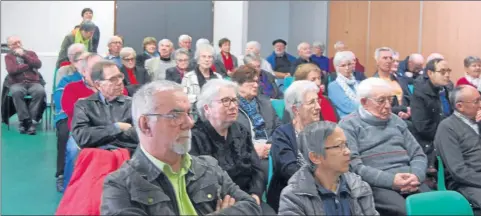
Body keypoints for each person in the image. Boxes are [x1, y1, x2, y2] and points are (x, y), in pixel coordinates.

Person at [101, 80, 261, 215]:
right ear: (146, 125)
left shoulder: (208, 166)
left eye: (189, 113)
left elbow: (252, 207)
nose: (189, 123)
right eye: (175, 115)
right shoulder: (120, 186)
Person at [339, 77, 429, 216]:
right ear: (364, 102)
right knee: (405, 211)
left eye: (390, 100)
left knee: (437, 207)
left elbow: (418, 154)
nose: (388, 106)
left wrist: (416, 175)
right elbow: (354, 166)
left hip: (410, 179)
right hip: (377, 185)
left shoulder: (396, 120)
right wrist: (391, 180)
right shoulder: (348, 125)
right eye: (381, 101)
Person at [190, 79, 275, 214]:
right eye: (225, 101)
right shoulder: (195, 138)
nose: (233, 106)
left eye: (235, 100)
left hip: (249, 199)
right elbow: (202, 185)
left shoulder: (241, 131)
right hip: (219, 205)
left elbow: (256, 169)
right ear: (207, 108)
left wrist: (255, 194)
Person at [278, 121, 379, 215]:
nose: (348, 152)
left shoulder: (359, 187)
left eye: (346, 145)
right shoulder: (294, 197)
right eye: (339, 146)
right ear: (315, 157)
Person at [267, 80, 321, 212]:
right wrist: (322, 180)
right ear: (296, 109)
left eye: (318, 101)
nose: (318, 106)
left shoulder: (324, 131)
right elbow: (289, 170)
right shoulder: (282, 134)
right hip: (291, 197)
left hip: (322, 193)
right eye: (311, 102)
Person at [71, 60, 138, 151]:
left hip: (127, 157)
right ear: (98, 85)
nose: (120, 82)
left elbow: (141, 135)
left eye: (120, 77)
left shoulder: (133, 104)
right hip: (97, 158)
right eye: (113, 79)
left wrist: (100, 136)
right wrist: (117, 127)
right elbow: (82, 138)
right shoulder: (84, 105)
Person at [434, 85, 481, 213]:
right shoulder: (447, 128)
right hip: (466, 183)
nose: (480, 105)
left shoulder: (477, 122)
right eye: (476, 101)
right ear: (460, 106)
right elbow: (458, 171)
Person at [231, 65, 282, 178]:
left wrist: (270, 145)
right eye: (251, 81)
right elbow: (232, 139)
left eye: (256, 81)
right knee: (263, 168)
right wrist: (253, 151)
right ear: (237, 84)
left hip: (270, 150)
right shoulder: (231, 107)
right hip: (246, 155)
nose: (256, 85)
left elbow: (279, 129)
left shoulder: (265, 103)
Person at [411, 58, 453, 171]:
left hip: (450, 135)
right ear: (430, 73)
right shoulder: (420, 94)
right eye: (443, 72)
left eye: (449, 71)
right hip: (432, 141)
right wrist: (448, 135)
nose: (447, 75)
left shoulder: (449, 90)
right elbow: (423, 127)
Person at [4, 35, 45, 134]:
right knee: (16, 92)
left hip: (33, 82)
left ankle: (26, 122)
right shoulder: (8, 56)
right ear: (9, 46)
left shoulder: (31, 53)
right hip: (17, 83)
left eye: (19, 42)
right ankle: (27, 122)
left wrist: (24, 56)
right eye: (14, 43)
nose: (18, 44)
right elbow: (12, 70)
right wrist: (28, 65)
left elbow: (38, 64)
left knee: (40, 91)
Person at [328, 51, 359, 118]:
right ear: (337, 68)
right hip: (347, 122)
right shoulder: (333, 86)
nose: (347, 68)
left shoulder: (358, 83)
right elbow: (349, 107)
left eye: (349, 64)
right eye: (343, 65)